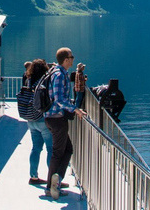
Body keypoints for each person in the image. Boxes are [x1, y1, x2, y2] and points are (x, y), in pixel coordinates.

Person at [44, 47, 87, 199]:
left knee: (67, 149)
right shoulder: (59, 75)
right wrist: (76, 109)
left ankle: (56, 180)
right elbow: (59, 99)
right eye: (71, 56)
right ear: (66, 60)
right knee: (58, 153)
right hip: (56, 118)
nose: (73, 59)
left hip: (54, 118)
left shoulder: (60, 73)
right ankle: (51, 186)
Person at [23, 59, 52, 185]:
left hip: (31, 119)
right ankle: (52, 179)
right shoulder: (44, 82)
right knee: (51, 149)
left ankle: (33, 176)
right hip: (42, 119)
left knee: (36, 148)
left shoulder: (28, 80)